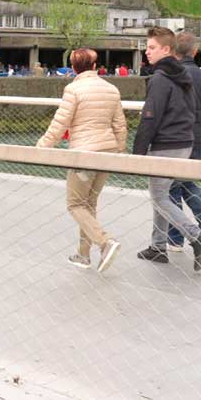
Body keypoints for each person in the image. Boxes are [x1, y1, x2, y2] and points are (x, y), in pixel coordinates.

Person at [37, 48, 128, 272]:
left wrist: (41, 148)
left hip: (84, 154)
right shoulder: (111, 89)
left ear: (74, 67)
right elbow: (120, 125)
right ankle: (83, 255)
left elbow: (59, 124)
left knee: (75, 204)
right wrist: (119, 150)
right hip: (106, 152)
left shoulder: (73, 89)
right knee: (89, 204)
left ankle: (105, 242)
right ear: (95, 66)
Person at [133, 27, 201, 271]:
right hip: (184, 143)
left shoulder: (160, 78)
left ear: (166, 49)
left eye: (152, 47)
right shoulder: (183, 76)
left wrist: (137, 154)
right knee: (162, 194)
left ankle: (196, 236)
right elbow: (194, 111)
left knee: (159, 196)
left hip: (165, 145)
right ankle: (158, 246)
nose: (146, 52)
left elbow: (150, 117)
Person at [167, 33, 201, 256]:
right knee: (184, 181)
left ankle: (178, 237)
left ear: (172, 51)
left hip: (175, 139)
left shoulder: (171, 76)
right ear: (195, 52)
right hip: (198, 138)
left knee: (171, 186)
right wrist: (200, 123)